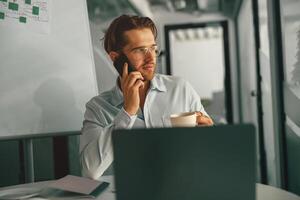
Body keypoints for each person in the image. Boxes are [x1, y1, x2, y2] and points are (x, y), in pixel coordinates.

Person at [80, 14, 213, 180]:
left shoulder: (180, 89)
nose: (151, 58)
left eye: (153, 49)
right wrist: (127, 112)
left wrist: (207, 134)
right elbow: (90, 171)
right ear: (116, 58)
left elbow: (208, 150)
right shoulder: (97, 107)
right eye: (140, 50)